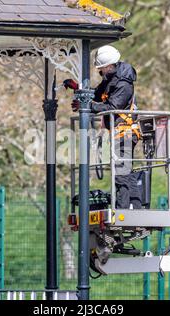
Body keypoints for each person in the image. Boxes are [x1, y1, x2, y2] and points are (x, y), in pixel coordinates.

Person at [64, 45, 142, 209]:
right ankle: (134, 206)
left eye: (101, 68)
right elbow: (96, 94)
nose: (99, 71)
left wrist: (88, 106)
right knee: (123, 170)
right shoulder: (110, 79)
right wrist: (78, 87)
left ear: (109, 66)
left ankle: (124, 209)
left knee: (121, 172)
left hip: (126, 133)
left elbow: (112, 106)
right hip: (119, 132)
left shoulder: (124, 84)